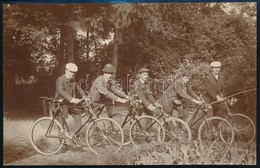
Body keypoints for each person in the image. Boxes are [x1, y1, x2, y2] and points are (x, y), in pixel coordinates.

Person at [52, 62, 85, 150]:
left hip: (68, 104)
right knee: (61, 125)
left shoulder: (72, 80)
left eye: (74, 72)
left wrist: (85, 96)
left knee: (78, 116)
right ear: (66, 70)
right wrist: (71, 99)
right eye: (71, 72)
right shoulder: (60, 79)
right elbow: (61, 91)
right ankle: (62, 145)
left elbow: (79, 89)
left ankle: (74, 136)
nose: (73, 74)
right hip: (60, 104)